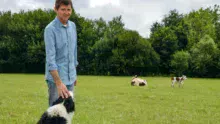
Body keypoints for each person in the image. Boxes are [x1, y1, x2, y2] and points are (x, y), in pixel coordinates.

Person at [44, 0, 78, 106]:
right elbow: (51, 59)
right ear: (56, 9)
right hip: (56, 81)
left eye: (69, 10)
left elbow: (74, 52)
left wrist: (74, 74)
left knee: (68, 112)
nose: (66, 13)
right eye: (63, 9)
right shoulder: (50, 29)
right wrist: (58, 83)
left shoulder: (73, 26)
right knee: (55, 114)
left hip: (70, 78)